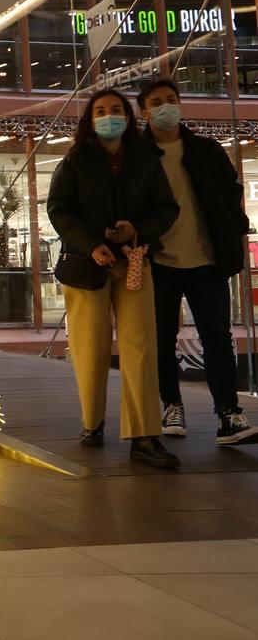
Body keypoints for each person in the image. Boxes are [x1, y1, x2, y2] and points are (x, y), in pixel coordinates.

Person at [47, 87, 181, 469]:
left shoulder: (146, 161)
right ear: (90, 120)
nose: (109, 116)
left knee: (141, 347)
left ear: (128, 116)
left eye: (117, 110)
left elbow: (167, 208)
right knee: (90, 347)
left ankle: (144, 435)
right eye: (101, 111)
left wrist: (136, 229)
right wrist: (91, 244)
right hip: (86, 266)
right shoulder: (74, 161)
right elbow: (60, 209)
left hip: (135, 261)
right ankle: (92, 424)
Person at [138, 78, 258, 444]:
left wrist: (235, 226)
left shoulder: (206, 150)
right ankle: (171, 406)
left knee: (218, 337)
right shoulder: (136, 156)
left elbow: (230, 189)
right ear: (144, 111)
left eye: (171, 99)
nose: (165, 106)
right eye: (157, 102)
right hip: (157, 261)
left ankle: (229, 414)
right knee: (160, 338)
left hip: (206, 259)